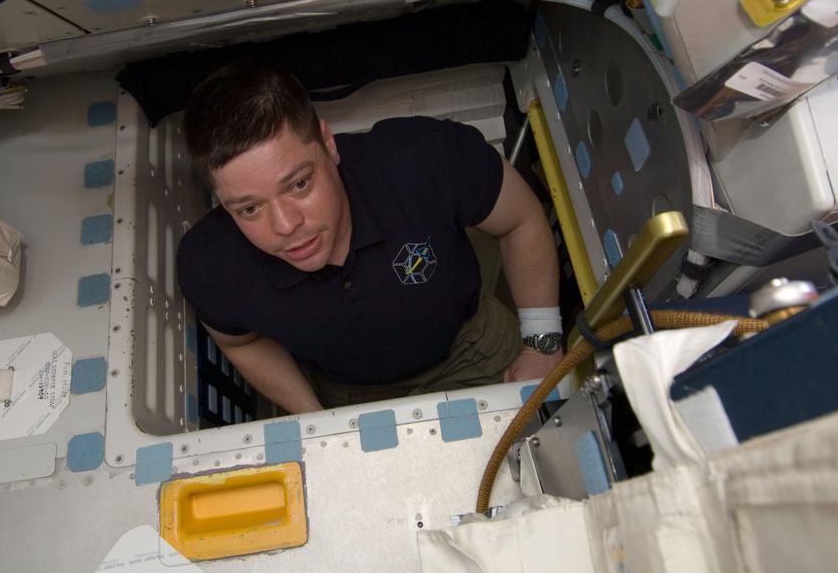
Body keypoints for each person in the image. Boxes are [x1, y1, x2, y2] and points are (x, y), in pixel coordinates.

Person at [176, 60, 563, 414]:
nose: (285, 225)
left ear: (329, 144)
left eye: (299, 184)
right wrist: (312, 416)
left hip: (471, 346)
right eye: (249, 208)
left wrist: (542, 343)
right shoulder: (210, 265)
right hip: (345, 393)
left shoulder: (425, 158)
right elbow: (239, 341)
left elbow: (521, 220)